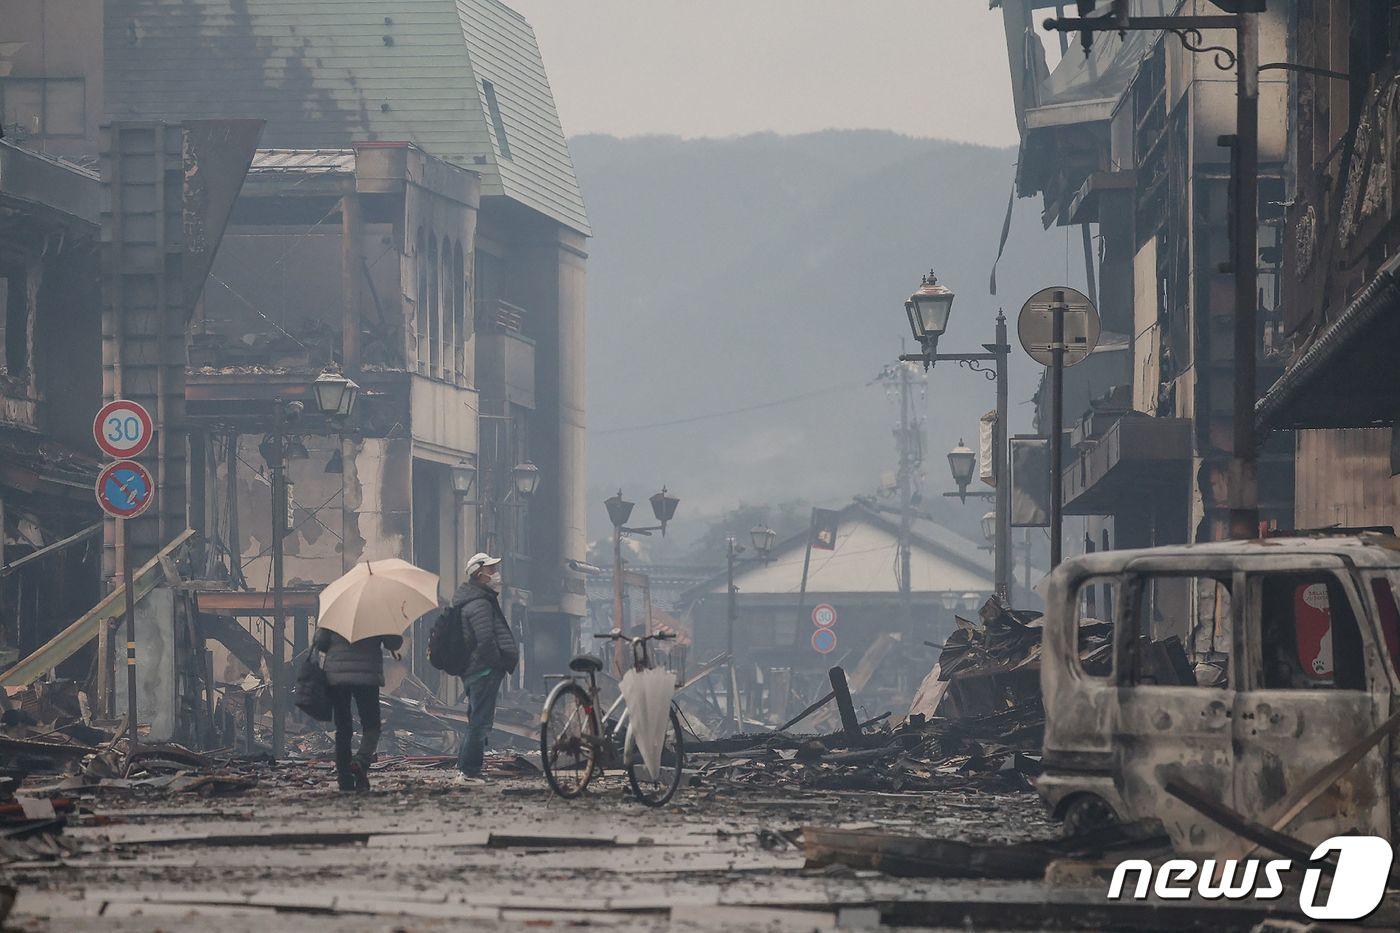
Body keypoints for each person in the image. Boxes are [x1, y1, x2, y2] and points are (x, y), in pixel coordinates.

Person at [452, 552, 519, 779]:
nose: (496, 574)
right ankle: (469, 773)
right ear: (479, 574)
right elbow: (486, 640)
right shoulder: (479, 603)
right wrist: (498, 663)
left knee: (476, 721)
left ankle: (465, 768)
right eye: (491, 570)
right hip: (483, 671)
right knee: (480, 723)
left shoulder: (476, 599)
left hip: (477, 670)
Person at [312, 627, 403, 791]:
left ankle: (344, 779)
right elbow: (394, 642)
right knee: (372, 725)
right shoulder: (377, 613)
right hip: (367, 676)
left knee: (343, 728)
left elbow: (320, 643)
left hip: (337, 677)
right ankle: (361, 761)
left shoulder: (337, 610)